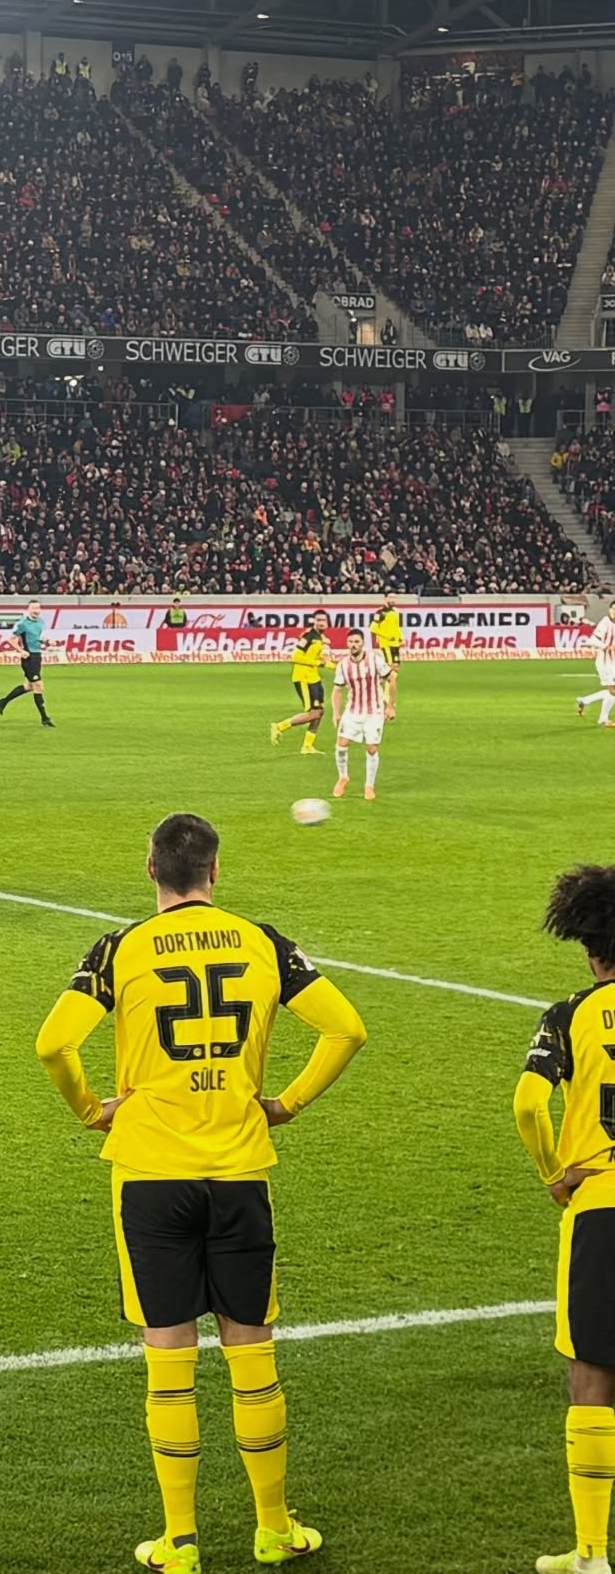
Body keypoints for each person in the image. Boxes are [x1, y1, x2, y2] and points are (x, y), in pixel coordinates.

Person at [35, 814, 367, 1573]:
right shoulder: (264, 942)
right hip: (240, 1166)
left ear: (150, 867)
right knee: (251, 1351)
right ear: (215, 873)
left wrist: (91, 1109)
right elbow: (346, 1029)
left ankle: (179, 1540)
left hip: (150, 1172)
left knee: (169, 1355)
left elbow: (52, 1043)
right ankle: (274, 1529)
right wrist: (285, 1103)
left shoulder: (120, 948)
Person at [515, 865, 615, 1574]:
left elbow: (526, 1105)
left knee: (591, 1377)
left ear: (589, 947)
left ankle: (590, 1552)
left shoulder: (568, 1014)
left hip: (601, 1208)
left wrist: (556, 1174)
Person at [331, 630, 392, 802]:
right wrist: (336, 713)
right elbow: (337, 690)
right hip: (352, 710)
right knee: (341, 744)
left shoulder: (374, 660)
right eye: (350, 641)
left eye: (357, 641)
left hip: (374, 711)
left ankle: (369, 786)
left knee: (372, 748)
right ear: (347, 643)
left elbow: (391, 678)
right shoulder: (343, 665)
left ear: (362, 643)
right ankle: (343, 777)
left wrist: (391, 706)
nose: (353, 645)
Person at [269, 611, 331, 756]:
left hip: (314, 678)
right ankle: (279, 726)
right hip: (303, 678)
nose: (321, 622)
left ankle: (307, 747)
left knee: (319, 712)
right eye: (318, 620)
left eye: (324, 620)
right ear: (314, 622)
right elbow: (295, 656)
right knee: (313, 712)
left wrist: (340, 667)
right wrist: (316, 663)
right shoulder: (308, 636)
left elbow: (324, 662)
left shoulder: (321, 639)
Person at [0, 599, 54, 727]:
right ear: (28, 609)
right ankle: (45, 718)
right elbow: (11, 640)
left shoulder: (41, 622)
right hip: (28, 658)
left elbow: (38, 638)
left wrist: (47, 642)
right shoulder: (22, 623)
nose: (36, 611)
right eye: (33, 608)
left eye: (38, 608)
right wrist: (21, 650)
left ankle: (3, 701)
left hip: (37, 656)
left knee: (29, 686)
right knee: (39, 686)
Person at [576, 603, 615, 728]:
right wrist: (606, 647)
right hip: (605, 662)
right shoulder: (605, 622)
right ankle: (603, 719)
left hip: (613, 661)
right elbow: (592, 640)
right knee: (613, 690)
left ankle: (585, 700)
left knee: (612, 691)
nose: (614, 611)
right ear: (609, 609)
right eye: (613, 608)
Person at [369, 596, 403, 717]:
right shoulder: (380, 613)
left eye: (394, 597)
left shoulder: (397, 612)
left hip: (395, 644)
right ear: (385, 599)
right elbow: (372, 628)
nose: (393, 599)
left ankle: (385, 696)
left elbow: (398, 628)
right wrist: (387, 636)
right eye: (390, 597)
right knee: (391, 669)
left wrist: (401, 638)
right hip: (386, 645)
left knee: (396, 670)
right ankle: (386, 698)